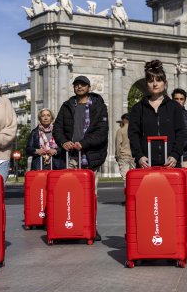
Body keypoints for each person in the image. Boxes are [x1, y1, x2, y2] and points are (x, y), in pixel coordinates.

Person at [54, 75, 108, 241]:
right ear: (74, 87)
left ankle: (91, 227)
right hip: (71, 156)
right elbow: (58, 128)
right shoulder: (67, 106)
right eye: (77, 84)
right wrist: (63, 142)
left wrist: (83, 143)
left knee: (91, 194)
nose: (79, 87)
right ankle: (73, 226)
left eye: (83, 85)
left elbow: (102, 132)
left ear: (89, 87)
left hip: (91, 157)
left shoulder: (99, 106)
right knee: (71, 194)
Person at [128, 60, 185, 168]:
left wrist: (175, 155)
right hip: (146, 163)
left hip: (171, 163)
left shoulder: (174, 107)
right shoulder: (138, 108)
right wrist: (139, 156)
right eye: (150, 81)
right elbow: (133, 134)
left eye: (158, 80)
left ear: (165, 83)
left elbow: (180, 133)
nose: (155, 84)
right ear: (146, 84)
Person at [114, 113, 135, 182]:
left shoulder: (120, 131)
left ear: (124, 120)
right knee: (134, 177)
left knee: (125, 177)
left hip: (124, 156)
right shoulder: (134, 130)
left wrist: (117, 156)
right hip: (133, 155)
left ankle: (128, 191)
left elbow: (118, 144)